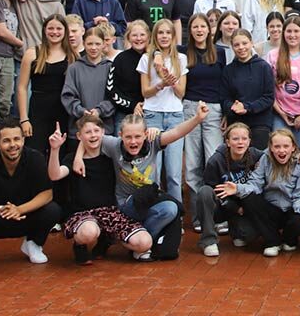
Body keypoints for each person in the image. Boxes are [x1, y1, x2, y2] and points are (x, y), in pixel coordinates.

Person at [87, 107, 207, 262]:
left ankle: (140, 242)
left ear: (145, 134)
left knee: (171, 208)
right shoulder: (114, 145)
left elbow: (177, 132)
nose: (133, 141)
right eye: (128, 137)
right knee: (142, 196)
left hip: (150, 202)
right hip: (127, 204)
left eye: (138, 136)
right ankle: (135, 240)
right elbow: (89, 138)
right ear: (120, 135)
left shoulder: (152, 143)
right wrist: (77, 156)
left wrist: (197, 118)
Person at [47, 114, 153, 265]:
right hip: (82, 214)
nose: (93, 135)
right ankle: (80, 245)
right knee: (89, 231)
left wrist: (153, 131)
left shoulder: (111, 156)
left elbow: (132, 141)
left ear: (103, 132)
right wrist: (55, 149)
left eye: (96, 130)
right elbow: (55, 175)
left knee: (144, 242)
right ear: (79, 136)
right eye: (87, 132)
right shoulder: (73, 159)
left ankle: (108, 238)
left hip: (111, 212)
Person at [0, 117, 62, 271]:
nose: (12, 145)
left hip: (25, 217)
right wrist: (0, 208)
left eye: (17, 139)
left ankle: (33, 244)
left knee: (53, 210)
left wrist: (20, 209)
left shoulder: (35, 158)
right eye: (6, 141)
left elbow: (47, 194)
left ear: (23, 140)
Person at [233, 129, 300, 256]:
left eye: (286, 146)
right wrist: (237, 188)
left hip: (292, 208)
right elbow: (255, 184)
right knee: (249, 199)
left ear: (293, 147)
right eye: (277, 146)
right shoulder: (265, 160)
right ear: (271, 148)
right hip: (271, 209)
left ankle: (289, 239)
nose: (281, 150)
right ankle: (272, 241)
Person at [181, 14, 227, 230]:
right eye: (195, 27)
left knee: (213, 160)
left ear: (210, 29)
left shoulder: (219, 52)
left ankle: (217, 213)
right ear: (190, 30)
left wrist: (225, 111)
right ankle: (199, 215)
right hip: (190, 108)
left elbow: (224, 82)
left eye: (203, 26)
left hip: (214, 108)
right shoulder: (183, 52)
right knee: (192, 164)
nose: (199, 30)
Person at [138, 19, 189, 203]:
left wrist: (170, 80)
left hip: (175, 116)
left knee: (174, 173)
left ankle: (177, 216)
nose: (164, 36)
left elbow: (181, 92)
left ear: (173, 36)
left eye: (168, 32)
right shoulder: (146, 58)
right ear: (155, 36)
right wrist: (161, 84)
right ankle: (155, 212)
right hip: (152, 116)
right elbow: (145, 92)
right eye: (161, 33)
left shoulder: (181, 59)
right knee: (154, 172)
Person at [195, 123, 263, 256]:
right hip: (222, 205)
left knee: (247, 236)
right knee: (204, 192)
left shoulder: (256, 155)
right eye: (235, 139)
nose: (240, 142)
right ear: (227, 142)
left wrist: (299, 154)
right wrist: (234, 207)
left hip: (243, 206)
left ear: (249, 141)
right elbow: (212, 189)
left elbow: (275, 153)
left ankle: (236, 230)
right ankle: (209, 241)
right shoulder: (215, 161)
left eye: (244, 139)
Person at [17, 15, 76, 154]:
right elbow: (22, 88)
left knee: (60, 153)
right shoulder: (32, 53)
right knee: (35, 152)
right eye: (50, 28)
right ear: (44, 30)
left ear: (65, 31)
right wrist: (24, 119)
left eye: (59, 28)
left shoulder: (72, 56)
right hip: (38, 111)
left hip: (63, 111)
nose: (54, 32)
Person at [222, 28, 276, 149]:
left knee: (258, 161)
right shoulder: (228, 70)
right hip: (236, 124)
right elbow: (224, 99)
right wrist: (233, 107)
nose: (241, 47)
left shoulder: (264, 67)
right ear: (232, 47)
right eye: (236, 45)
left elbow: (268, 98)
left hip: (260, 123)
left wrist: (247, 108)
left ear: (251, 43)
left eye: (244, 43)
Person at [268, 16, 300, 146]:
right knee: (280, 147)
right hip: (280, 112)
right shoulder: (273, 55)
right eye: (289, 31)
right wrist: (282, 113)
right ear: (283, 33)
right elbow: (268, 88)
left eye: (296, 31)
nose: (292, 35)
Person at [62, 27, 115, 138]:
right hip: (79, 129)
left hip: (104, 129)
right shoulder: (74, 68)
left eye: (97, 44)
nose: (93, 48)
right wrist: (81, 111)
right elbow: (68, 96)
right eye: (90, 44)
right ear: (84, 44)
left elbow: (114, 96)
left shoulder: (111, 67)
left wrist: (100, 110)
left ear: (103, 44)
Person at [106, 20, 149, 134]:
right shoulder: (121, 59)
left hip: (151, 113)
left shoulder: (155, 57)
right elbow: (111, 89)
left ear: (149, 36)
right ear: (128, 38)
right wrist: (132, 105)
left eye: (142, 35)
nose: (138, 38)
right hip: (124, 114)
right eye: (134, 35)